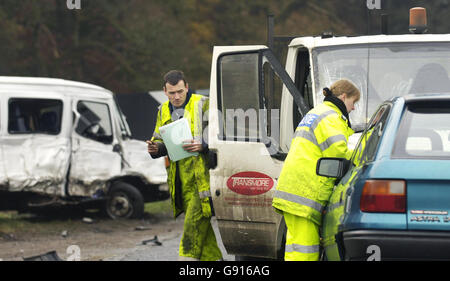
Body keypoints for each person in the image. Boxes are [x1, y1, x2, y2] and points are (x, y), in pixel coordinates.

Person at [272, 79, 361, 261]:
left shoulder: (320, 113)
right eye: (353, 102)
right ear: (344, 97)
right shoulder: (331, 117)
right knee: (305, 252)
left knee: (296, 249)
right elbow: (339, 151)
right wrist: (365, 152)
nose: (353, 108)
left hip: (296, 191)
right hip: (303, 194)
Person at [147, 70, 222, 261]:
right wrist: (156, 149)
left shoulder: (203, 104)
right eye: (172, 93)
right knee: (204, 241)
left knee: (191, 234)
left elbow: (222, 134)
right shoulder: (163, 110)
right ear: (165, 91)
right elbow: (160, 142)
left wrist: (204, 145)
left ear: (187, 87)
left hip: (201, 184)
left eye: (180, 91)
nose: (177, 96)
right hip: (181, 183)